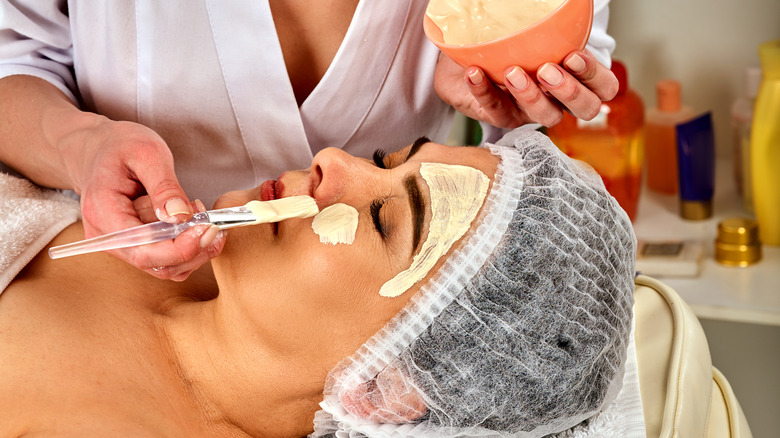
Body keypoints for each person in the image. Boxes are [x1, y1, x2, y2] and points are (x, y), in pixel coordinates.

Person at [0, 128, 641, 437]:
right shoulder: (131, 226)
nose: (332, 162)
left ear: (386, 393)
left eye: (385, 219)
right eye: (387, 161)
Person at [0, 0, 619, 280]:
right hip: (106, 277)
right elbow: (14, 59)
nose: (326, 168)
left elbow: (519, 171)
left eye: (388, 211)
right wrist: (81, 144)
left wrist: (506, 79)